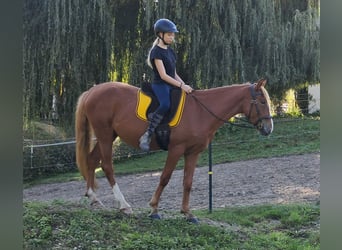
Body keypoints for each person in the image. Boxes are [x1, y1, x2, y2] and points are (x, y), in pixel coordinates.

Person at [139, 18, 193, 152]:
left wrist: (184, 85)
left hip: (172, 83)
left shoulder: (170, 51)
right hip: (161, 85)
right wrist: (181, 86)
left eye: (173, 34)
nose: (172, 37)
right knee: (165, 104)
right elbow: (164, 75)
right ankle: (147, 134)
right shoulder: (156, 52)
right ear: (160, 35)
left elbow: (174, 74)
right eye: (169, 34)